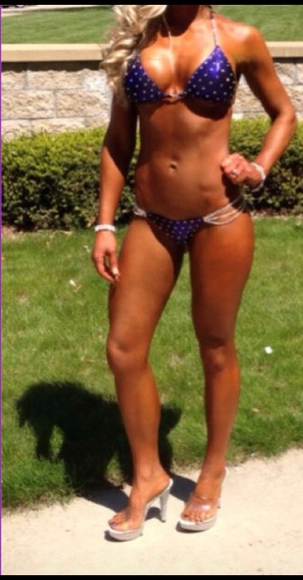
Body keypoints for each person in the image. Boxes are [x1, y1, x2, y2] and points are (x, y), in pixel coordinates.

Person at [92, 5, 296, 541]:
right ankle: (148, 475)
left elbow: (284, 113)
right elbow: (118, 141)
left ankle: (212, 471)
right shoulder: (139, 39)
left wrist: (258, 167)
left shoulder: (240, 38)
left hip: (219, 217)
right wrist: (104, 224)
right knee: (123, 347)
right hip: (151, 220)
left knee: (216, 345)